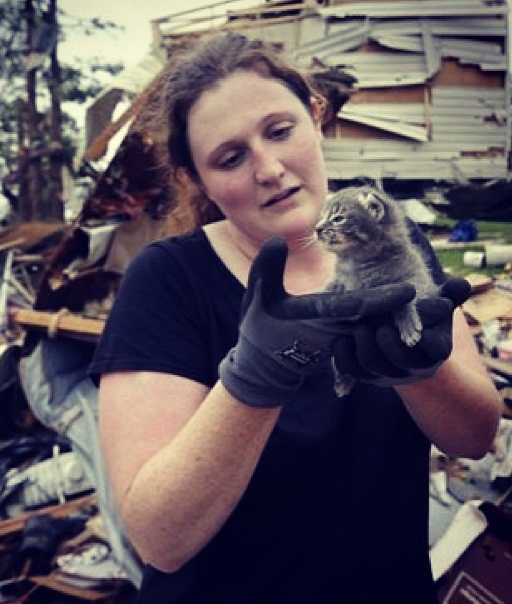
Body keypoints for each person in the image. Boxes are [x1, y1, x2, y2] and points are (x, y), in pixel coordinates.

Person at [89, 32, 502, 604]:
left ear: (315, 115)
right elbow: (160, 539)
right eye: (230, 157)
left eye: (279, 131)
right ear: (194, 179)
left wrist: (422, 371)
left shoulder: (391, 237)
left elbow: (475, 437)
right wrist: (254, 382)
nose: (268, 166)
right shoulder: (167, 280)